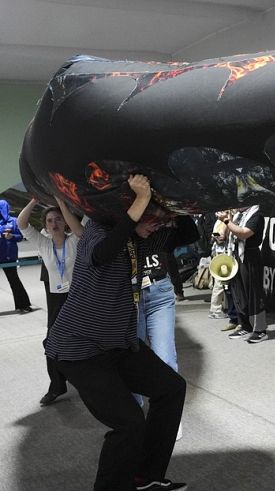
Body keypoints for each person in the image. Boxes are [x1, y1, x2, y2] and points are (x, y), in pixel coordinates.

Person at [45, 175, 186, 490]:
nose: (151, 224)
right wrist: (139, 202)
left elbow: (183, 233)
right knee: (128, 424)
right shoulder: (98, 231)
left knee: (171, 388)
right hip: (79, 350)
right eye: (146, 217)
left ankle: (145, 476)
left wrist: (172, 211)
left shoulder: (136, 239)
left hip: (117, 344)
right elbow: (102, 254)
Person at [133, 213, 199, 439]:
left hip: (159, 293)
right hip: (130, 297)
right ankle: (135, 415)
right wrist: (133, 225)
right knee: (133, 360)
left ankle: (168, 418)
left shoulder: (163, 227)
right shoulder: (122, 219)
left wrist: (175, 213)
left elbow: (192, 233)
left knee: (166, 359)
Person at [18, 197, 84, 406]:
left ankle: (89, 382)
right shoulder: (44, 244)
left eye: (58, 219)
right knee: (51, 343)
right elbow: (22, 223)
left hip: (78, 298)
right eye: (49, 221)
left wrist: (63, 205)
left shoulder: (75, 240)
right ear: (45, 225)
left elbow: (83, 227)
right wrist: (35, 200)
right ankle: (57, 386)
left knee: (85, 343)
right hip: (56, 299)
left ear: (65, 221)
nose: (54, 224)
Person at [219, 206, 266, 344]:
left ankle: (260, 330)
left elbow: (244, 233)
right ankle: (245, 325)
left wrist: (228, 221)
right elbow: (226, 234)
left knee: (254, 294)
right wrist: (227, 222)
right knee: (239, 293)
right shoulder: (238, 216)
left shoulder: (256, 215)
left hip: (250, 256)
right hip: (236, 256)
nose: (236, 205)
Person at [0, 199, 33, 312]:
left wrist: (11, 237)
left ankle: (23, 305)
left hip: (9, 256)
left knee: (14, 280)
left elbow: (20, 237)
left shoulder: (14, 221)